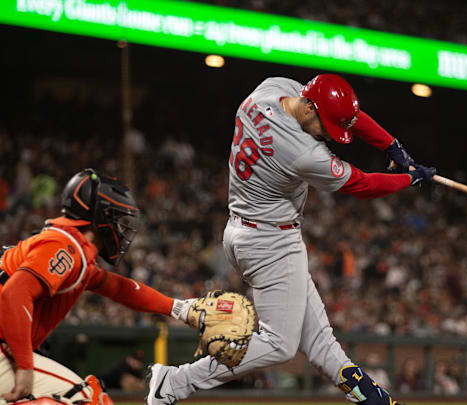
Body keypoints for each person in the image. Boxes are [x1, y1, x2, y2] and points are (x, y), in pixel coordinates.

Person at [146, 74, 436, 405]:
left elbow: (348, 117)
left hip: (248, 230)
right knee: (279, 344)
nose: (330, 135)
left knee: (321, 342)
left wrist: (390, 145)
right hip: (269, 240)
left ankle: (374, 400)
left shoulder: (272, 89)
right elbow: (364, 185)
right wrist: (408, 178)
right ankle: (175, 381)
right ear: (310, 107)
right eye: (327, 127)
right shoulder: (303, 152)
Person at [0, 169, 195, 405]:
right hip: (4, 349)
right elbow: (14, 293)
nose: (121, 229)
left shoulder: (71, 248)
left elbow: (118, 288)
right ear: (100, 216)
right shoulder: (65, 246)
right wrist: (24, 365)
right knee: (88, 399)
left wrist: (179, 308)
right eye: (117, 218)